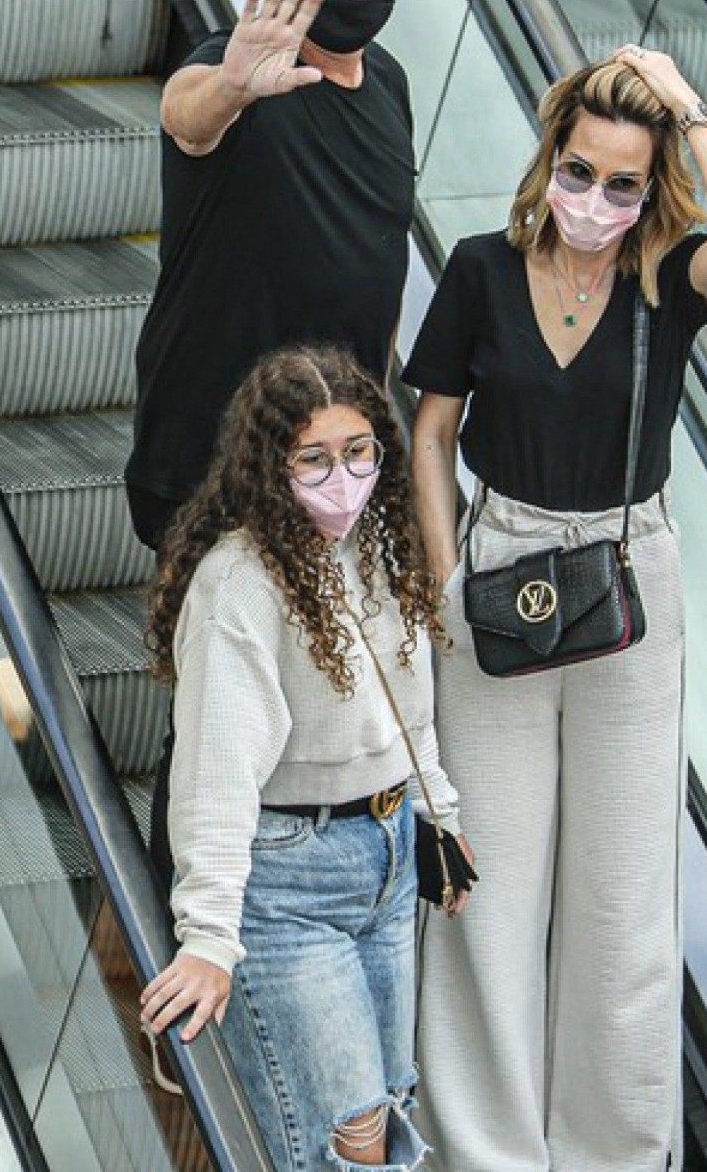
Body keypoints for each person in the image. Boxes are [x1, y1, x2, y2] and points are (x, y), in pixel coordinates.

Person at [404, 48, 707, 1172]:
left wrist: (685, 106)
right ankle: (485, 1148)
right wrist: (441, 582)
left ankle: (611, 1150)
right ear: (548, 158)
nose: (595, 199)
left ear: (649, 188)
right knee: (486, 881)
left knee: (621, 888)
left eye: (622, 183)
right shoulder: (480, 268)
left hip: (626, 575)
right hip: (497, 567)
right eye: (579, 171)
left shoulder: (666, 282)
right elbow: (430, 430)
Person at [140, 345, 470, 1172]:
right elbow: (215, 772)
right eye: (313, 459)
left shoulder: (379, 546)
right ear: (269, 466)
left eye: (358, 452)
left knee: (385, 1113)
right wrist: (208, 936)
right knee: (341, 1137)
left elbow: (408, 705)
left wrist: (436, 813)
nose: (343, 478)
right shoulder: (239, 585)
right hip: (289, 880)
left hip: (387, 855)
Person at [125, 0, 414, 553]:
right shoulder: (240, 70)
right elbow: (186, 117)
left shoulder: (388, 82)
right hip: (216, 459)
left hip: (336, 463)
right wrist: (233, 89)